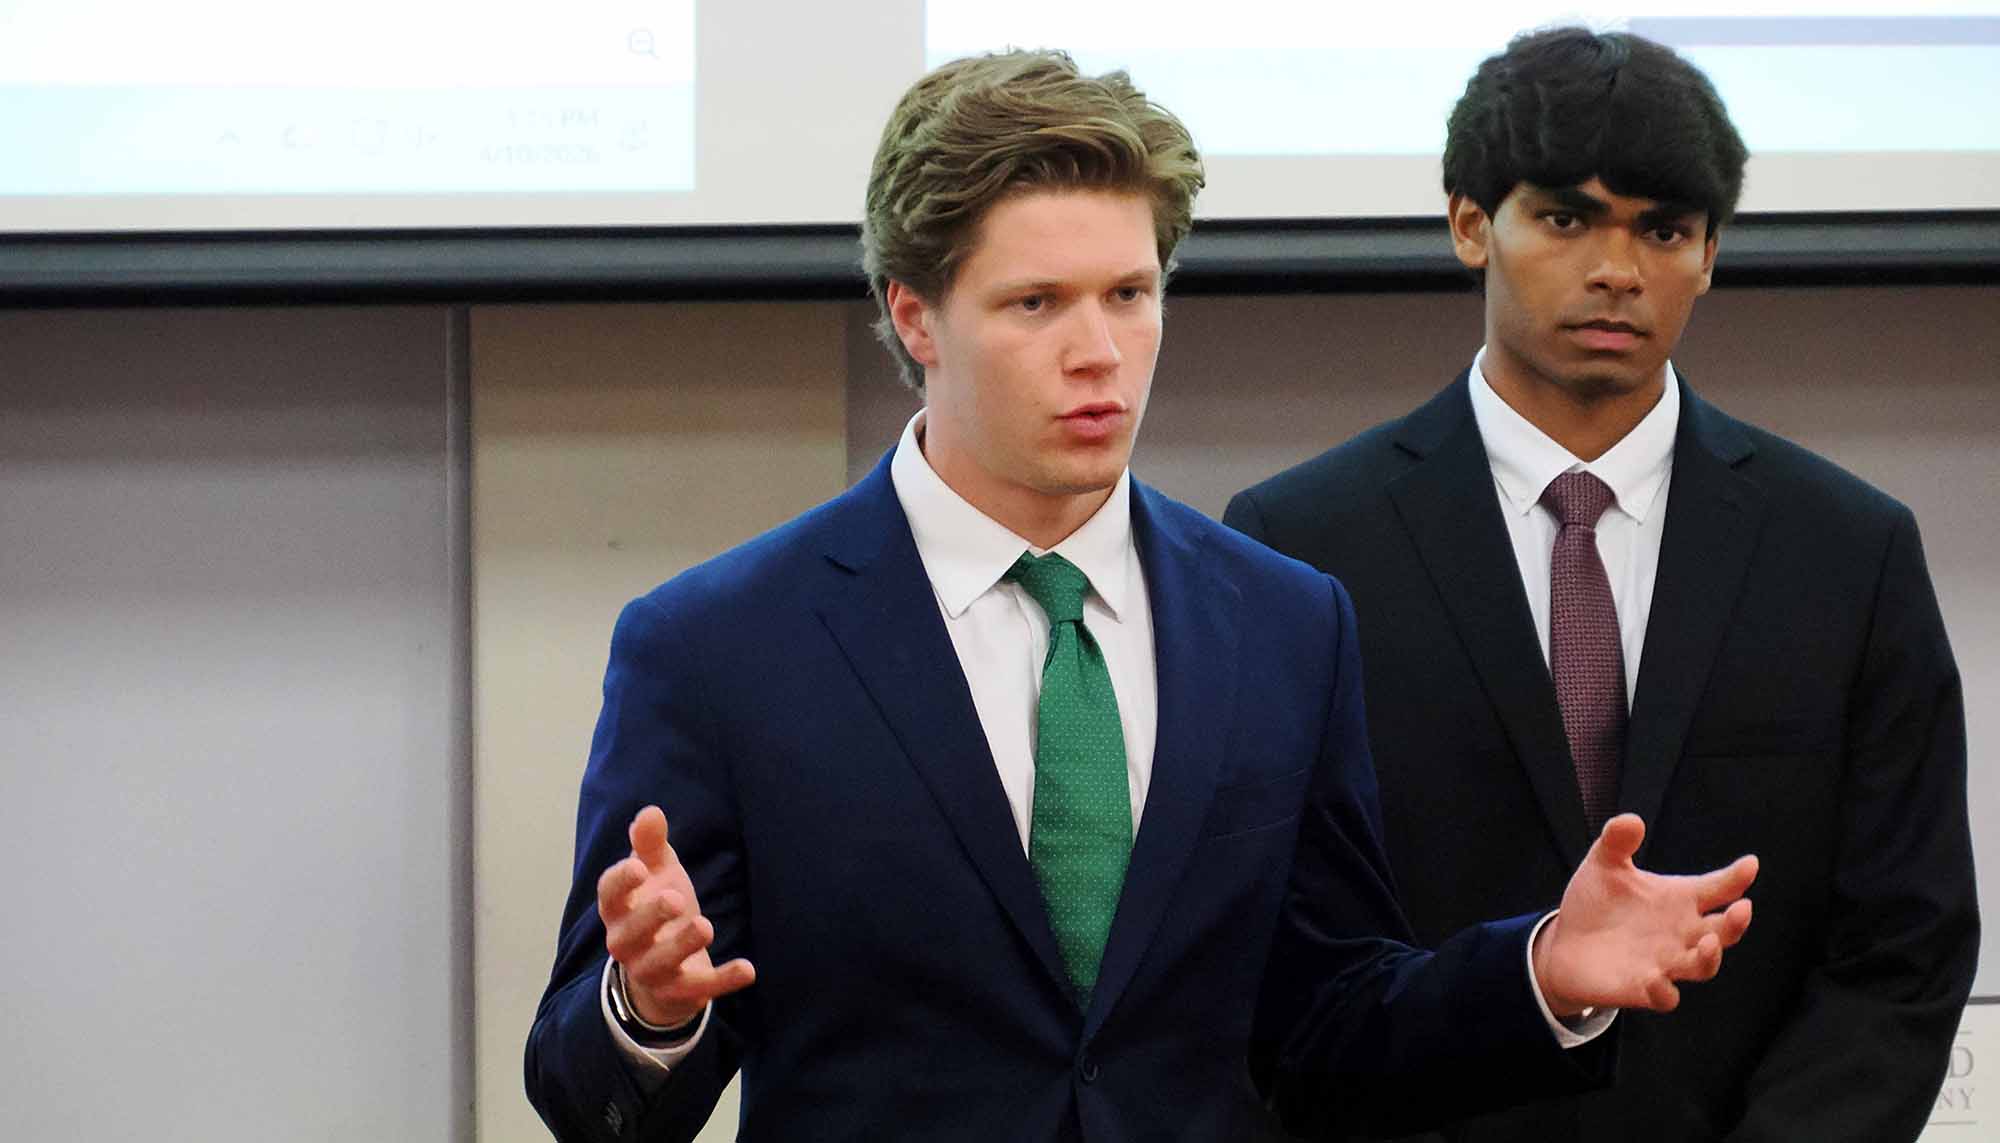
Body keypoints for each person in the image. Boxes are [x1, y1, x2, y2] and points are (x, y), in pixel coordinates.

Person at [526, 49, 1758, 1143]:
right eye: (1034, 304)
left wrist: (1540, 971)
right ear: (915, 317)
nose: (1098, 351)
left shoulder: (1282, 621)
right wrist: (648, 1010)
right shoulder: (721, 646)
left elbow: (1328, 1031)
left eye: (1128, 294)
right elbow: (588, 1100)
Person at [1226, 26, 1977, 1143]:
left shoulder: (1845, 549)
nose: (1617, 269)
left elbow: (1900, 945)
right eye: (1567, 218)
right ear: (1469, 223)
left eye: (1662, 230)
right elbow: (1277, 955)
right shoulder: (1295, 542)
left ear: (1711, 253)